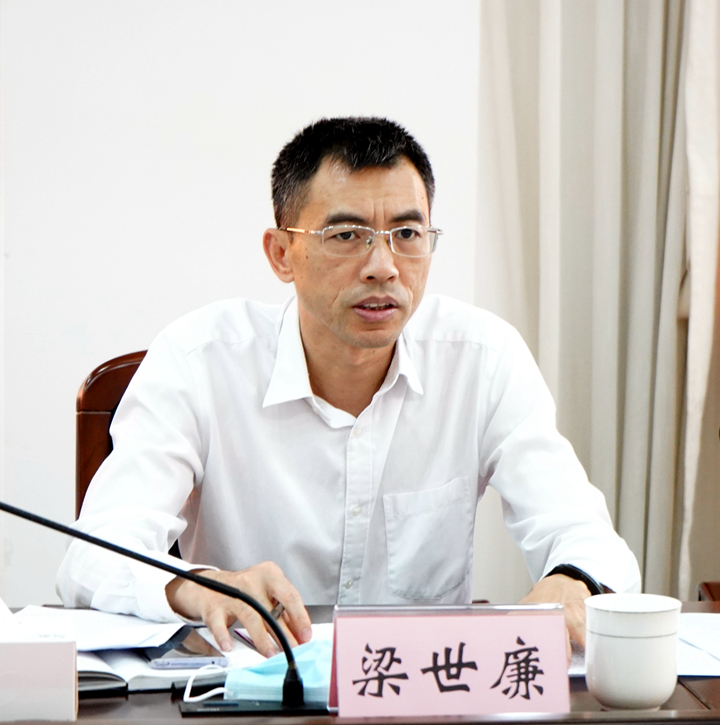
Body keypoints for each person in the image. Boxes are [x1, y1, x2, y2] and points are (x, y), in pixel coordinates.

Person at [57, 117, 640, 659]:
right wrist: (200, 586)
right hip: (254, 693)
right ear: (282, 254)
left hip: (422, 694)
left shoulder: (482, 359)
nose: (383, 265)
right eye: (346, 235)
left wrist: (573, 582)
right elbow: (93, 556)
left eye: (406, 233)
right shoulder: (199, 362)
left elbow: (587, 538)